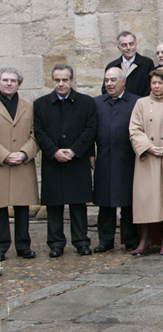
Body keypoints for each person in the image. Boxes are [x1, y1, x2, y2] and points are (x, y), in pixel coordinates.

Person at [33, 65, 97, 258]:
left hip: (77, 160)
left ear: (72, 80)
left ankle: (81, 242)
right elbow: (39, 131)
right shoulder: (41, 104)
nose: (61, 84)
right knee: (54, 205)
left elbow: (90, 129)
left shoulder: (86, 103)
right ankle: (55, 243)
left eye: (65, 80)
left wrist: (74, 150)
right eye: (57, 80)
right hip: (53, 160)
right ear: (52, 81)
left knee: (78, 205)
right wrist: (54, 151)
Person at [129, 68, 163, 255]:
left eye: (160, 83)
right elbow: (134, 129)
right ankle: (144, 238)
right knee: (146, 198)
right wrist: (148, 147)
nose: (157, 86)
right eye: (154, 83)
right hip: (148, 157)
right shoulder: (141, 103)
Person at [92, 67, 140, 253]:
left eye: (113, 80)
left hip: (128, 159)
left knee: (128, 202)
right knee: (105, 202)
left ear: (123, 81)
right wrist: (90, 154)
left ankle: (131, 239)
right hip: (105, 158)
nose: (109, 84)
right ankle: (105, 240)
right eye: (106, 80)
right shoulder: (97, 103)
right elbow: (90, 130)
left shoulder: (135, 102)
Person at [0, 67, 39, 261]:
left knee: (22, 207)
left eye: (13, 81)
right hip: (2, 163)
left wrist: (24, 153)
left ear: (19, 84)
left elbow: (36, 134)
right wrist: (5, 155)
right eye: (5, 80)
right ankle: (1, 246)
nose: (9, 83)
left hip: (22, 163)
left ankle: (24, 246)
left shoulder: (28, 107)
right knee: (0, 208)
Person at [103, 31, 155, 97]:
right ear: (119, 48)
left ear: (135, 44)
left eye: (131, 44)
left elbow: (150, 86)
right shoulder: (112, 66)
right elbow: (105, 89)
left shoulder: (147, 63)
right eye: (124, 45)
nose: (128, 48)